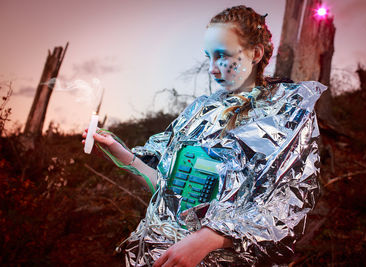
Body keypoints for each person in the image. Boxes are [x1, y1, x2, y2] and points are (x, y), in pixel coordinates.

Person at [82, 5, 326, 267]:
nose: (212, 68)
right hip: (158, 257)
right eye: (209, 56)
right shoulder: (199, 112)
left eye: (222, 56)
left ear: (255, 53)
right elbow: (167, 191)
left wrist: (209, 238)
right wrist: (123, 155)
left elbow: (287, 205)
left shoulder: (287, 114)